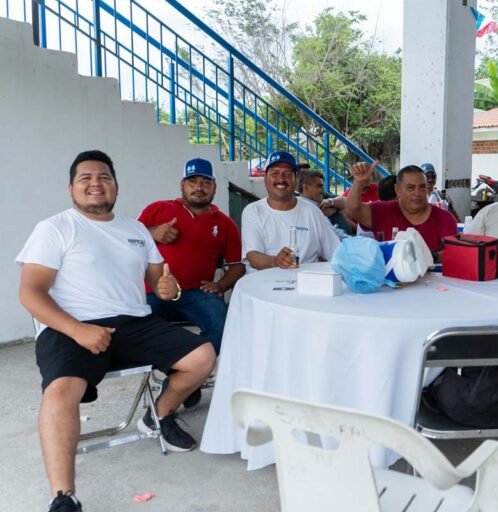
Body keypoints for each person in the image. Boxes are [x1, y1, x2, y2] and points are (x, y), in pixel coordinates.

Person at [16, 150, 216, 512]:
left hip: (134, 323)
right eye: (86, 177)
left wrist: (169, 289)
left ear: (116, 187)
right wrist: (78, 330)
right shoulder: (55, 228)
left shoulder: (136, 230)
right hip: (71, 325)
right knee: (60, 393)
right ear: (71, 187)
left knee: (203, 357)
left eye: (104, 177)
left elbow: (160, 279)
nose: (96, 183)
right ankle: (64, 496)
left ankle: (159, 413)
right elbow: (31, 292)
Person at [138, 158, 244, 357]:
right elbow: (128, 241)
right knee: (131, 325)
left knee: (225, 323)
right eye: (192, 181)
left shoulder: (226, 224)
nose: (199, 187)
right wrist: (152, 232)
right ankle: (182, 372)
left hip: (198, 294)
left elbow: (238, 266)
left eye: (205, 182)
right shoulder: (158, 209)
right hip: (153, 291)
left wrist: (220, 285)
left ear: (214, 187)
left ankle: (190, 373)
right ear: (182, 185)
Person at [242, 151, 340, 272]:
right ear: (265, 180)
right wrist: (276, 261)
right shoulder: (253, 211)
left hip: (306, 284)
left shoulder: (311, 211)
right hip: (264, 284)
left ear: (295, 180)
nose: (281, 179)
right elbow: (253, 256)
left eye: (288, 174)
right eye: (275, 173)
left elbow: (335, 253)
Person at [345, 161, 457, 255]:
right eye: (410, 188)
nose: (417, 193)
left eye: (422, 187)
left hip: (433, 280)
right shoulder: (382, 211)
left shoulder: (444, 218)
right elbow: (353, 210)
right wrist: (358, 182)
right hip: (389, 280)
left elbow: (454, 253)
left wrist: (431, 257)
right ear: (397, 190)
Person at [298, 169, 353, 236]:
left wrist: (331, 204)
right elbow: (332, 237)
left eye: (322, 186)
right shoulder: (303, 207)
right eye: (319, 186)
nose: (322, 190)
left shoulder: (320, 198)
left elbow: (347, 202)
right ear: (305, 187)